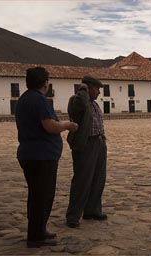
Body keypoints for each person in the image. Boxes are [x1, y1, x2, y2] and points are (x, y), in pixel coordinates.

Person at [15, 67, 78, 248]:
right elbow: (50, 126)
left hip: (29, 153)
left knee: (37, 195)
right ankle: (35, 236)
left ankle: (39, 230)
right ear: (45, 83)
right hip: (41, 156)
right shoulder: (40, 100)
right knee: (42, 197)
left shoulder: (24, 99)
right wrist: (66, 125)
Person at [66, 76, 107, 228]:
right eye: (97, 88)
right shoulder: (76, 101)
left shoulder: (94, 104)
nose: (99, 92)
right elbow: (80, 105)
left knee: (98, 178)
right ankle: (73, 215)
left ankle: (92, 210)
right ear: (88, 88)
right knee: (82, 180)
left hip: (99, 142)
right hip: (86, 144)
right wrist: (82, 90)